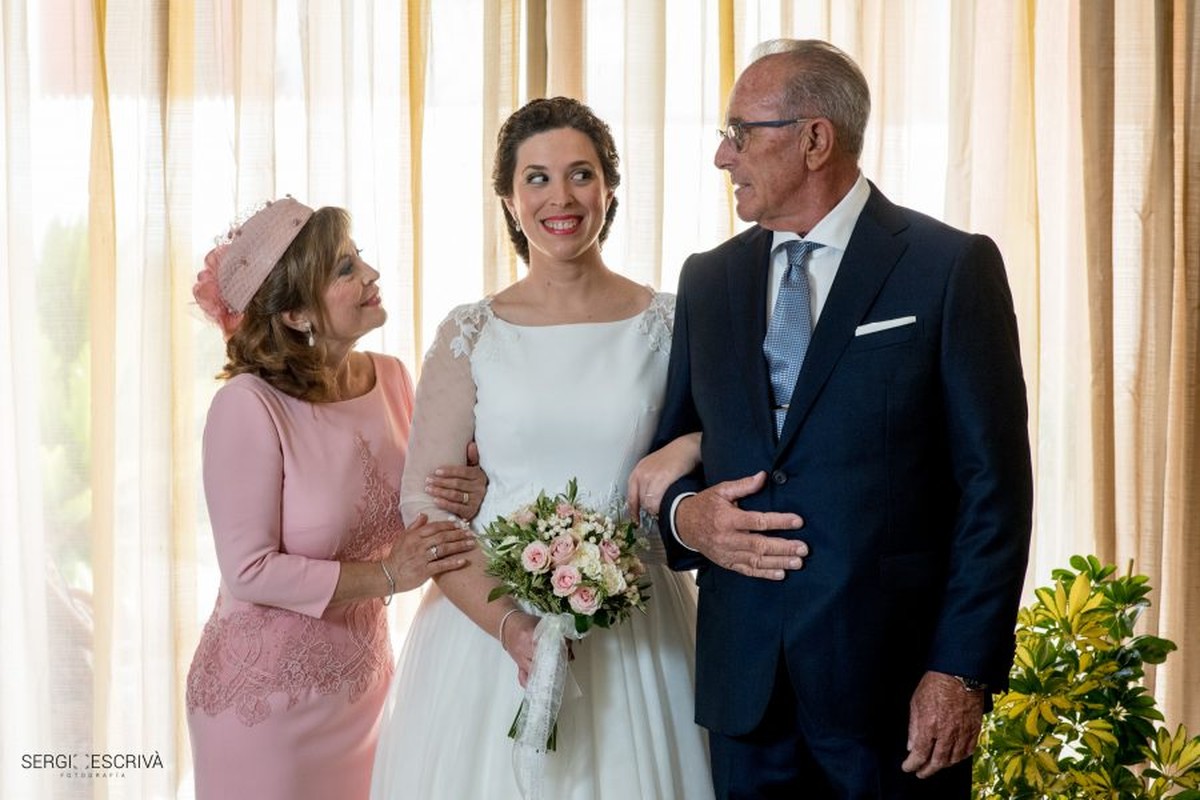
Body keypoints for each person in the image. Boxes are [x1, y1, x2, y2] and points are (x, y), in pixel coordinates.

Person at [653, 39, 1034, 799]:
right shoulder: (708, 279)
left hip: (892, 694)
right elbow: (673, 450)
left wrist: (959, 670)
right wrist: (683, 518)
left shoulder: (949, 267)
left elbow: (994, 490)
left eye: (740, 132)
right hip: (746, 692)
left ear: (815, 138)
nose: (724, 157)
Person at [369, 97, 713, 800]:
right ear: (508, 198)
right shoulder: (470, 333)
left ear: (609, 190)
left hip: (639, 624)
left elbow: (737, 436)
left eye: (581, 175)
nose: (561, 197)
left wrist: (689, 447)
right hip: (489, 625)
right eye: (537, 178)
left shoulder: (671, 323)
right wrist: (513, 628)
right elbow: (425, 508)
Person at [185, 197, 488, 800]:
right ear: (296, 312)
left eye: (359, 259)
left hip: (364, 692)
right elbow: (248, 571)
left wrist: (471, 490)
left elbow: (420, 503)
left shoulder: (394, 377)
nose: (370, 275)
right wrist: (386, 575)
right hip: (265, 710)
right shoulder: (247, 405)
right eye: (344, 269)